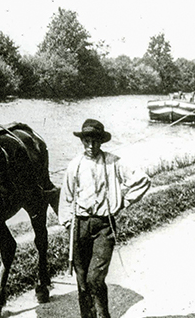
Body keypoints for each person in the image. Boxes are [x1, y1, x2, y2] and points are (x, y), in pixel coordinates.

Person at [58, 119, 151, 318]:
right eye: (87, 141)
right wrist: (67, 224)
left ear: (101, 141)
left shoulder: (113, 162)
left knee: (95, 279)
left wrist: (123, 201)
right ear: (82, 141)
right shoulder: (75, 165)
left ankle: (103, 315)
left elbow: (142, 180)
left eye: (95, 141)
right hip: (79, 225)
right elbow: (65, 198)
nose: (91, 146)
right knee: (82, 281)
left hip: (103, 227)